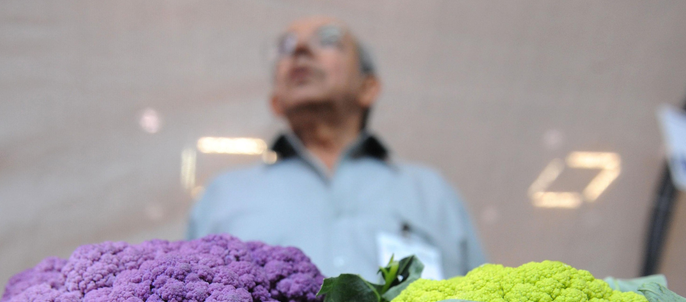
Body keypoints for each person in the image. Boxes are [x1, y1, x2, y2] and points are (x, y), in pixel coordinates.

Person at [187, 16, 487, 281]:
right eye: (286, 47)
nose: (300, 51)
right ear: (275, 101)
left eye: (328, 39)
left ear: (368, 88)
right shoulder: (222, 196)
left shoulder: (432, 192)